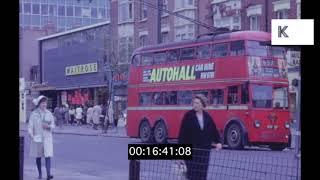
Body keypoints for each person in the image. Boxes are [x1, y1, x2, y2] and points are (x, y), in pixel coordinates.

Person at [178, 94, 222, 180]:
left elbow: (213, 130)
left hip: (204, 152)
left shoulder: (207, 117)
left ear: (203, 105)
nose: (195, 105)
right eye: (194, 103)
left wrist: (218, 142)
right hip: (191, 151)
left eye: (197, 103)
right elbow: (182, 135)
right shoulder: (188, 116)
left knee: (202, 175)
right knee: (192, 176)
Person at [28, 95, 55, 180]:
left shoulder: (49, 113)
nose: (44, 104)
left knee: (48, 155)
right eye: (43, 103)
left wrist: (48, 126)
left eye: (45, 103)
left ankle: (48, 174)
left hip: (47, 137)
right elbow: (30, 126)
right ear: (39, 104)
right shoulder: (34, 114)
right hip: (38, 138)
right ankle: (40, 174)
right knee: (38, 156)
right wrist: (31, 135)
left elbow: (53, 125)